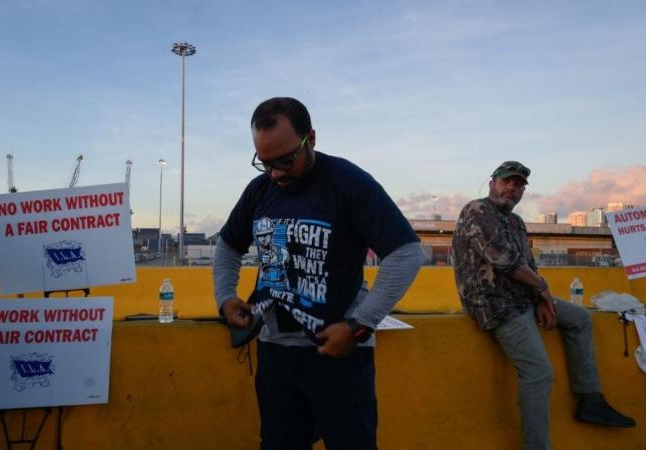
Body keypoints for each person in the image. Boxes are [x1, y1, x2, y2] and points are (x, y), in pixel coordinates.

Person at [213, 97, 425, 450]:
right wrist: (225, 297)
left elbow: (406, 253)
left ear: (311, 138)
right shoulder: (260, 190)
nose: (276, 173)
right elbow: (227, 246)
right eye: (264, 163)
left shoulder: (348, 183)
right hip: (276, 352)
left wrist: (360, 325)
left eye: (285, 160)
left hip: (338, 352)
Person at [451, 161, 636, 450]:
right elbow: (505, 260)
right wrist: (541, 289)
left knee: (580, 318)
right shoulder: (477, 210)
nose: (511, 188)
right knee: (538, 372)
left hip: (523, 298)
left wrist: (540, 299)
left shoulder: (516, 222)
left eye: (518, 184)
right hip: (493, 303)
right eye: (506, 182)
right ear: (492, 183)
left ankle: (590, 399)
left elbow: (528, 262)